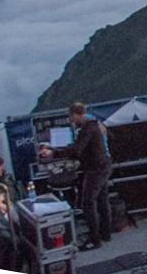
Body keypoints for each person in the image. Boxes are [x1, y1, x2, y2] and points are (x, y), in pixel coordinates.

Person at [39, 101, 112, 250]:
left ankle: (94, 239)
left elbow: (77, 149)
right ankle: (106, 233)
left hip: (95, 168)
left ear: (76, 115)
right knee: (102, 199)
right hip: (103, 165)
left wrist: (53, 152)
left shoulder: (87, 129)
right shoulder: (93, 125)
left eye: (71, 117)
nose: (70, 120)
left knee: (88, 202)